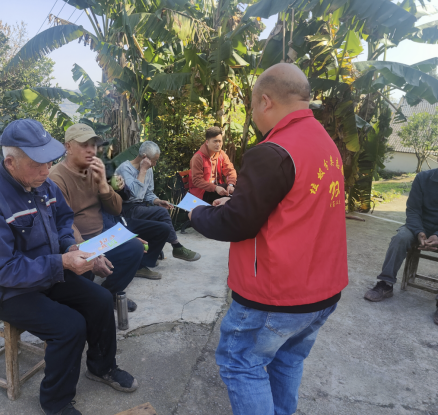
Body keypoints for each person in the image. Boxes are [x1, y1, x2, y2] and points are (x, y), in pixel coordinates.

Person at [189, 63, 348, 415]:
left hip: (276, 296)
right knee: (287, 360)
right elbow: (295, 205)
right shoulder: (325, 143)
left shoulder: (273, 150)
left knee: (241, 364)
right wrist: (238, 203)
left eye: (252, 107)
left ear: (265, 101)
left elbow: (236, 225)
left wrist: (196, 214)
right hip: (322, 291)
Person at [0, 119, 138, 415]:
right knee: (69, 327)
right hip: (2, 289)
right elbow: (2, 270)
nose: (46, 170)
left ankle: (102, 367)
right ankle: (55, 402)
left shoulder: (42, 183)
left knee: (101, 300)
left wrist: (72, 247)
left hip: (45, 271)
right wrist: (62, 262)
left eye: (49, 161)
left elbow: (63, 219)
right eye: (38, 164)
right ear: (10, 162)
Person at [49, 123, 149, 311]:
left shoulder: (95, 170)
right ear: (68, 147)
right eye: (84, 145)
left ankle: (110, 293)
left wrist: (103, 183)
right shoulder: (56, 178)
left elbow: (116, 209)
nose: (91, 150)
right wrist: (88, 251)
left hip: (101, 235)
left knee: (135, 247)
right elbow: (64, 223)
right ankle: (88, 301)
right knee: (83, 270)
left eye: (93, 145)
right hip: (75, 241)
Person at [364, 165, 438, 324]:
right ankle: (386, 283)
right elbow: (413, 210)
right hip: (419, 226)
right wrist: (419, 231)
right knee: (400, 238)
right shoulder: (423, 178)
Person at [115, 141, 201, 262]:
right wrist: (143, 171)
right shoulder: (125, 169)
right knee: (161, 213)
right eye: (154, 161)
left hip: (140, 207)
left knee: (162, 217)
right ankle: (177, 246)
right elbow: (134, 195)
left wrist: (157, 201)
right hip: (127, 210)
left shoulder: (148, 170)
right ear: (144, 157)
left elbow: (147, 193)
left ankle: (151, 255)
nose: (155, 164)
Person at [189, 126, 237, 205]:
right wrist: (215, 188)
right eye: (215, 141)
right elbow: (197, 180)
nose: (218, 144)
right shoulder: (198, 158)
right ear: (207, 142)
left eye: (220, 141)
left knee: (238, 190)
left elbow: (230, 170)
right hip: (202, 192)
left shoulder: (221, 154)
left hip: (218, 187)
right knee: (231, 199)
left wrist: (231, 184)